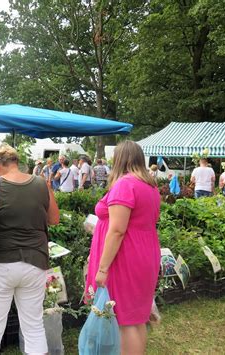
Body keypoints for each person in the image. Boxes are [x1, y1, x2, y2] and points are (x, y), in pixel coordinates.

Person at [0, 144, 59, 355]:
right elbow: (54, 219)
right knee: (33, 326)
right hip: (35, 262)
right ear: (15, 161)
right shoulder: (42, 184)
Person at [85, 140, 160, 355]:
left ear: (119, 159)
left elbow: (118, 230)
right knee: (137, 317)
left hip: (125, 256)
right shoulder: (150, 185)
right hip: (145, 251)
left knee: (123, 318)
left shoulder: (125, 184)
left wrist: (102, 268)